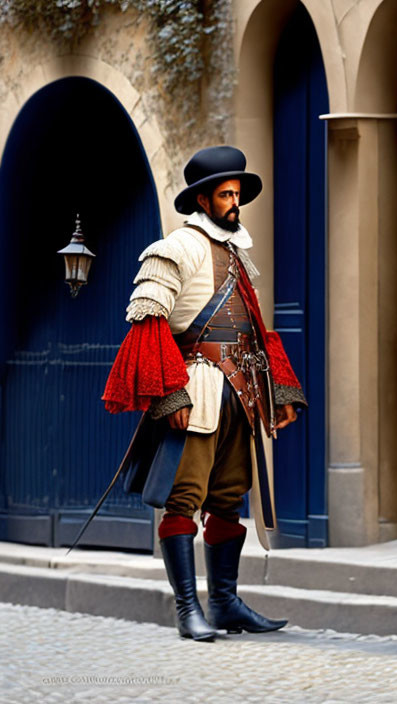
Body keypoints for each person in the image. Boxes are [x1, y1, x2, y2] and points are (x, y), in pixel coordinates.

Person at [102, 146, 307, 641]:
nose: (235, 203)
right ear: (203, 198)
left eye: (237, 194)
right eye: (226, 194)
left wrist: (280, 391)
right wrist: (171, 396)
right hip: (197, 392)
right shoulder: (175, 248)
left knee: (228, 499)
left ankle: (225, 602)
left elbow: (258, 330)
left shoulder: (236, 254)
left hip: (241, 392)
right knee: (183, 499)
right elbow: (148, 322)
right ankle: (187, 607)